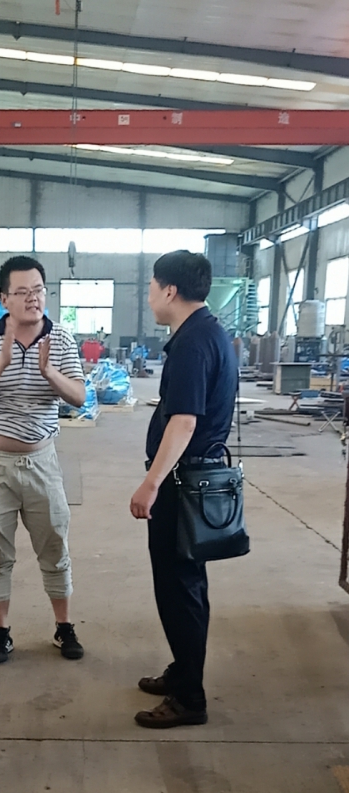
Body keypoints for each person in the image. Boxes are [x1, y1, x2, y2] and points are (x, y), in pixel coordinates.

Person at [130, 250, 238, 728]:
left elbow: (185, 421)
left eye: (152, 287)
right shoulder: (208, 332)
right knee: (186, 585)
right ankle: (183, 670)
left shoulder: (193, 342)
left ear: (170, 290)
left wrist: (151, 483)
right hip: (195, 477)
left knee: (179, 589)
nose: (150, 296)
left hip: (183, 481)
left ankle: (189, 698)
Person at [0, 255, 87, 664]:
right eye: (22, 292)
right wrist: (1, 362)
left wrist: (49, 372)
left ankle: (64, 627)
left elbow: (79, 397)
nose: (33, 298)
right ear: (4, 299)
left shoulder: (61, 339)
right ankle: (1, 633)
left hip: (42, 463)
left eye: (38, 290)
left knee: (54, 545)